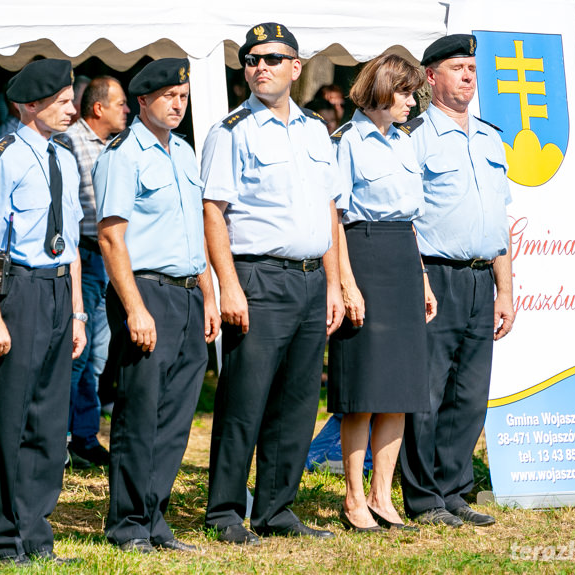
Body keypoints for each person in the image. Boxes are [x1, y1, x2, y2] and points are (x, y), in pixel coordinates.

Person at [202, 22, 344, 545]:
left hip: (310, 279)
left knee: (297, 401)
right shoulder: (231, 131)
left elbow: (327, 210)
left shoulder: (314, 131)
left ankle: (276, 509)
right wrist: (229, 285)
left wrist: (333, 282)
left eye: (272, 58)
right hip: (258, 277)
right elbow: (213, 213)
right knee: (246, 399)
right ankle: (224, 512)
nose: (260, 67)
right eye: (252, 59)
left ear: (296, 67)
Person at [93, 58, 219, 554]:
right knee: (140, 413)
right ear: (142, 101)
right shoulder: (123, 154)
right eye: (168, 96)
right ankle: (127, 523)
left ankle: (154, 515)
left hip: (188, 292)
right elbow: (110, 236)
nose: (178, 105)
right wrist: (135, 308)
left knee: (177, 417)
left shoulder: (185, 152)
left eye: (183, 97)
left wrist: (208, 293)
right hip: (145, 291)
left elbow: (196, 234)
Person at [0, 58, 86, 565]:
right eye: (61, 102)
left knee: (49, 421)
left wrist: (78, 312)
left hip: (59, 293)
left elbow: (73, 243)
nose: (71, 110)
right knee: (13, 419)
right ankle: (6, 540)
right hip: (21, 291)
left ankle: (37, 535)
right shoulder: (4, 156)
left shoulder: (65, 157)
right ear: (30, 105)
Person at [399, 34, 516, 528]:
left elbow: (499, 222)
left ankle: (455, 489)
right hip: (435, 275)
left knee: (469, 391)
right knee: (427, 392)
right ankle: (423, 497)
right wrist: (418, 277)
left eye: (472, 67)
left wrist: (505, 288)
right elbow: (403, 219)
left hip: (480, 279)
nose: (469, 75)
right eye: (457, 67)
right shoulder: (414, 135)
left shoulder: (490, 138)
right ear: (431, 78)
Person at [327, 53, 436, 533]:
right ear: (382, 91)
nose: (413, 102)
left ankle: (382, 496)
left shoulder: (405, 144)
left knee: (400, 389)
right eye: (407, 93)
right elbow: (334, 216)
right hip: (363, 254)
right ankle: (353, 499)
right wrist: (346, 282)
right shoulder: (347, 142)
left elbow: (410, 221)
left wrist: (424, 277)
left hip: (402, 258)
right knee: (363, 390)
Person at [66, 76, 129, 468]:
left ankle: (85, 437)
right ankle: (63, 437)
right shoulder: (70, 142)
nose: (127, 110)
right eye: (121, 103)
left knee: (99, 356)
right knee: (78, 352)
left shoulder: (118, 146)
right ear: (98, 108)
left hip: (112, 260)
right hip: (84, 256)